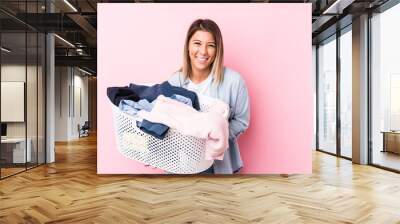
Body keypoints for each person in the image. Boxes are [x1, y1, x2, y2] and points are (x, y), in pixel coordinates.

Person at [168, 19, 250, 174]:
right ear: (188, 47)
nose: (203, 51)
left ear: (218, 50)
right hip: (180, 165)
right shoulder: (173, 82)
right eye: (197, 43)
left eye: (211, 45)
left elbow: (241, 121)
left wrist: (214, 139)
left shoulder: (234, 81)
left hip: (217, 166)